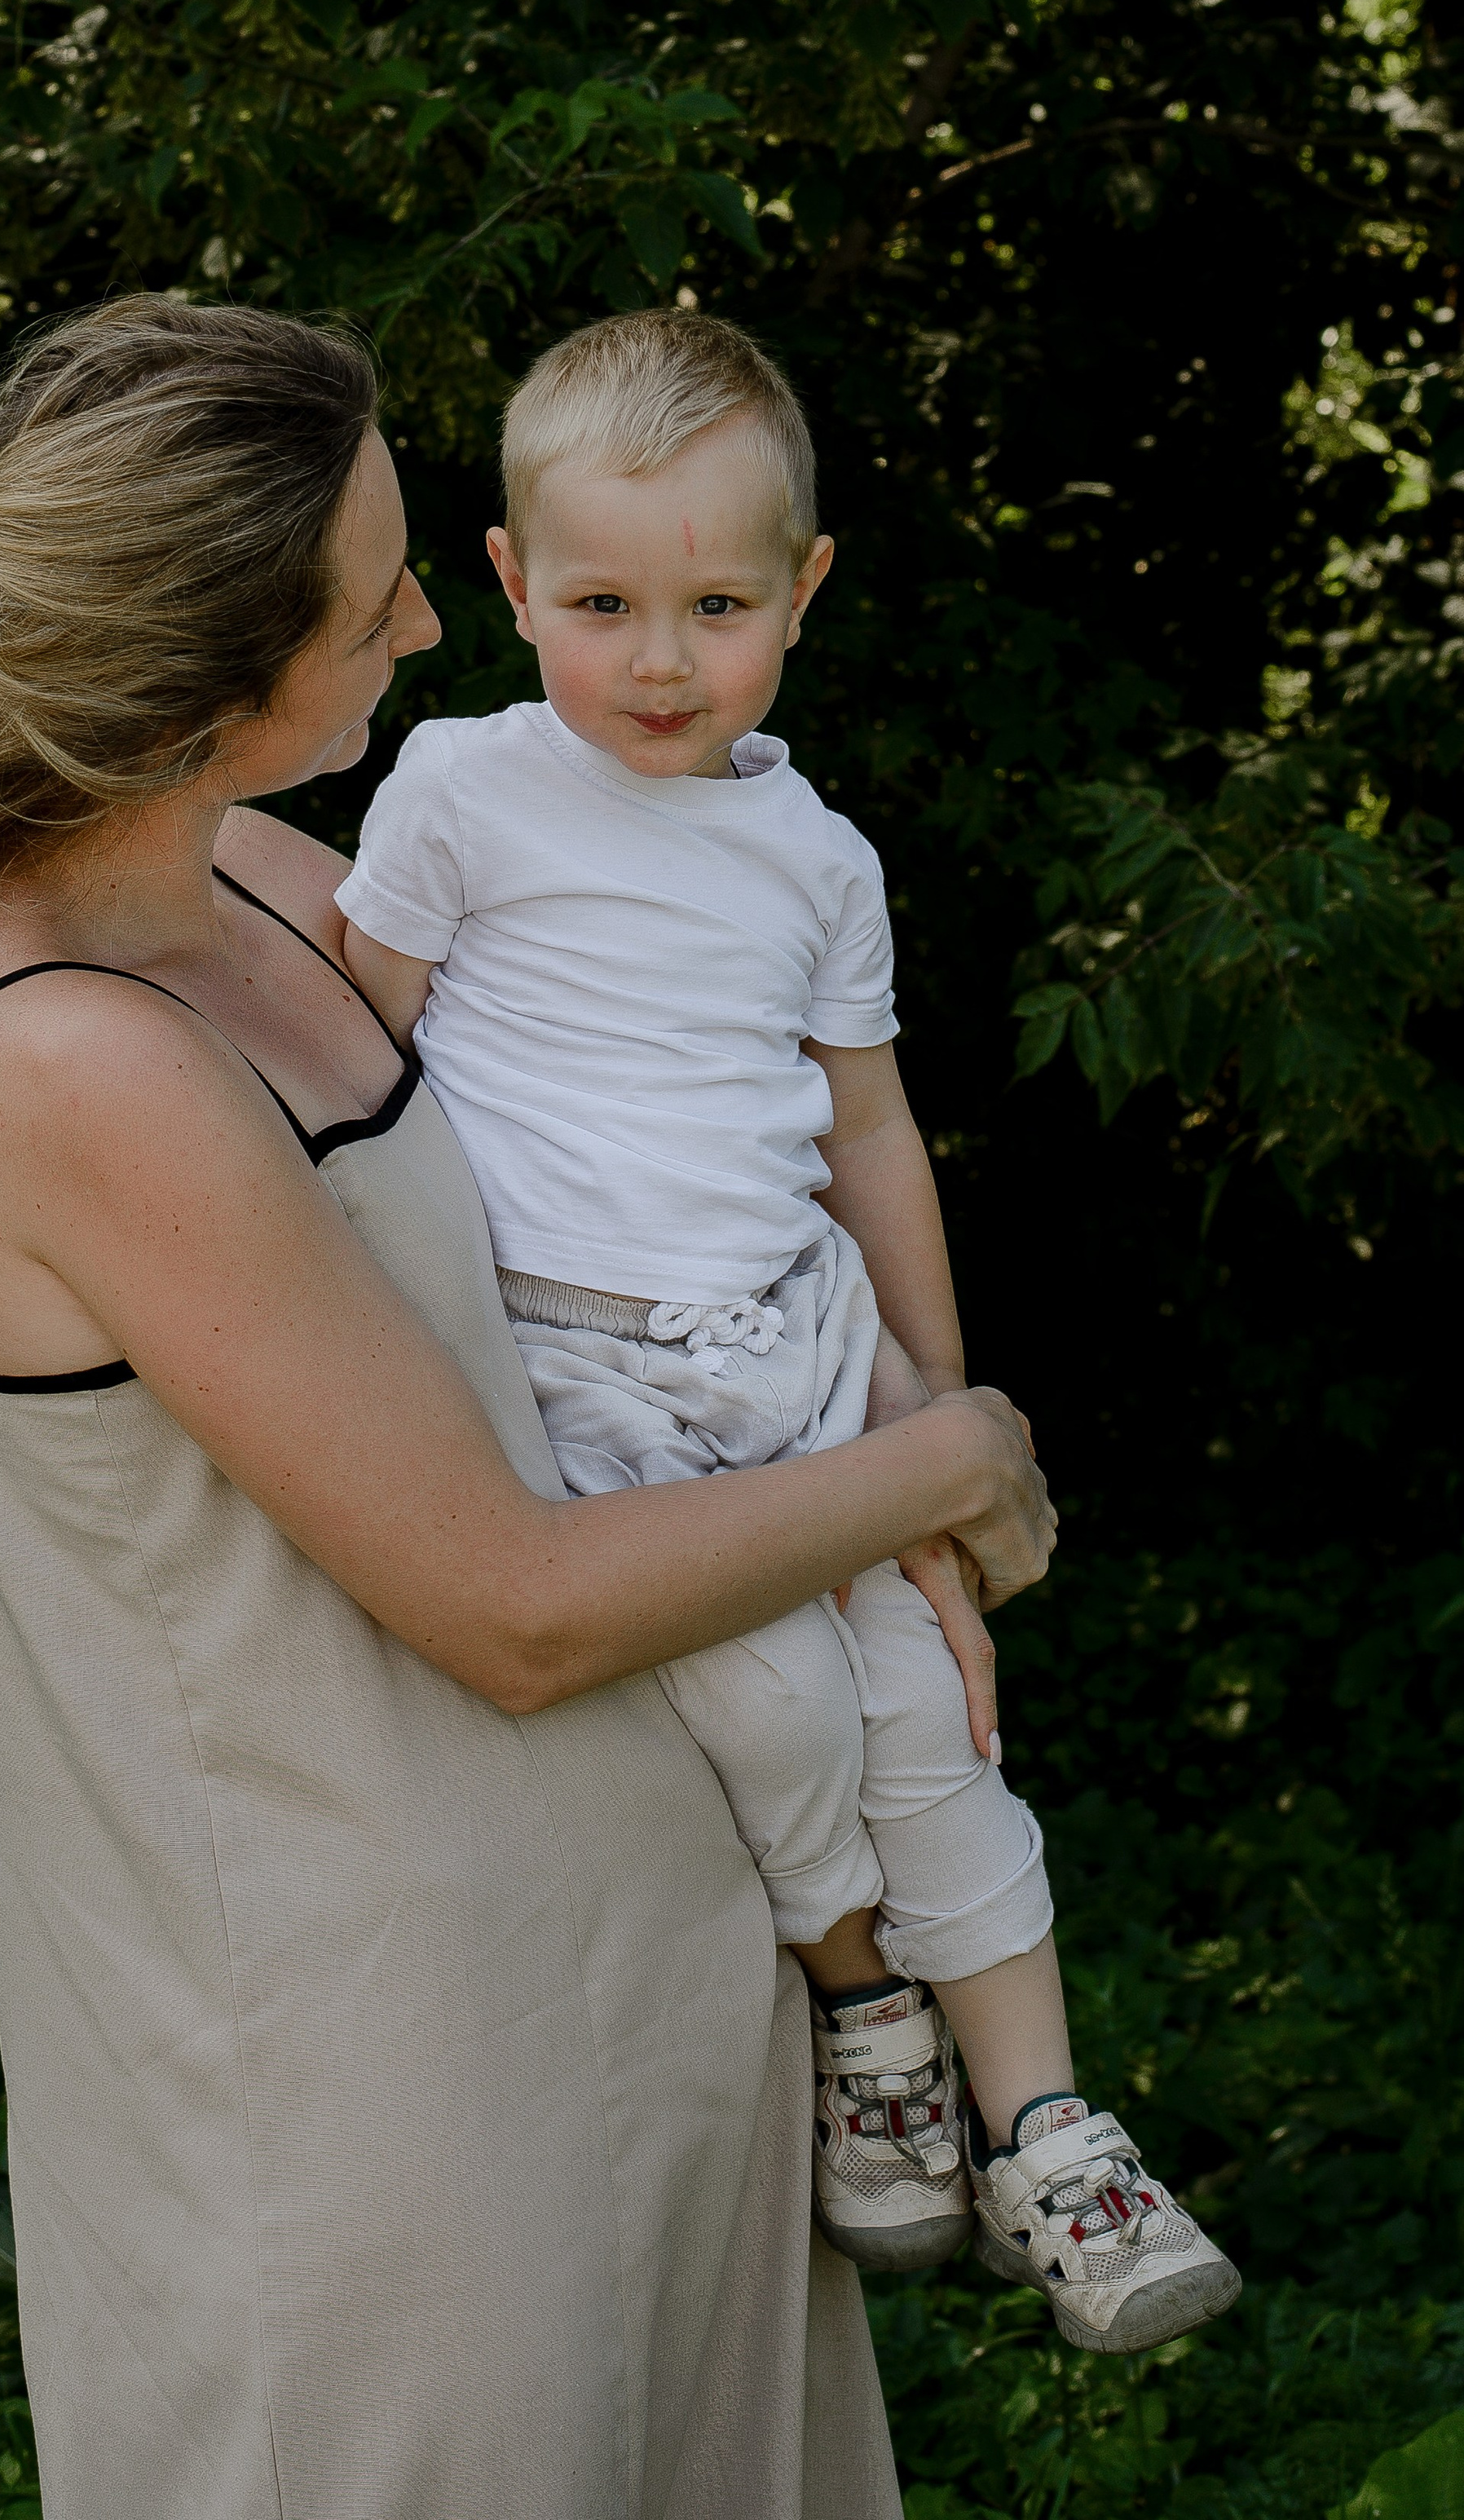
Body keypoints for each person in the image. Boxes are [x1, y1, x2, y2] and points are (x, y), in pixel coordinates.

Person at [0, 296, 1059, 2520]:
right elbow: (516, 1602)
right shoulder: (75, 1059)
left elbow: (661, 1178)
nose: (441, 619)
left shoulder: (263, 876)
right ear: (213, 671)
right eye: (377, 599)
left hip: (643, 2002)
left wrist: (869, 1436)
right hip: (385, 2130)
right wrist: (946, 1458)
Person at [334, 309, 1241, 2359]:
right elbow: (349, 1053)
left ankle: (1051, 2137)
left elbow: (867, 1128)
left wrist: (930, 1409)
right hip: (591, 1381)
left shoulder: (812, 856)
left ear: (803, 592)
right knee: (773, 1712)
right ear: (505, 585)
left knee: (934, 1720)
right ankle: (862, 2017)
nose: (658, 660)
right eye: (600, 604)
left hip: (804, 1354)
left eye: (717, 605)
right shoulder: (460, 790)